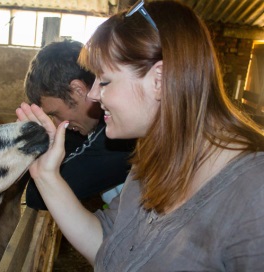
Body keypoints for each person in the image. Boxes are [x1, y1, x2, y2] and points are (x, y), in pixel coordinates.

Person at [16, 0, 264, 270]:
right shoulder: (150, 160)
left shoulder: (254, 194)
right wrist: (46, 175)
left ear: (159, 79)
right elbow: (108, 244)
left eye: (105, 81)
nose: (92, 94)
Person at [23, 40, 136, 210]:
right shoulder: (91, 127)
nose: (58, 123)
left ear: (78, 90)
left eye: (55, 113)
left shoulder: (117, 137)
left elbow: (37, 195)